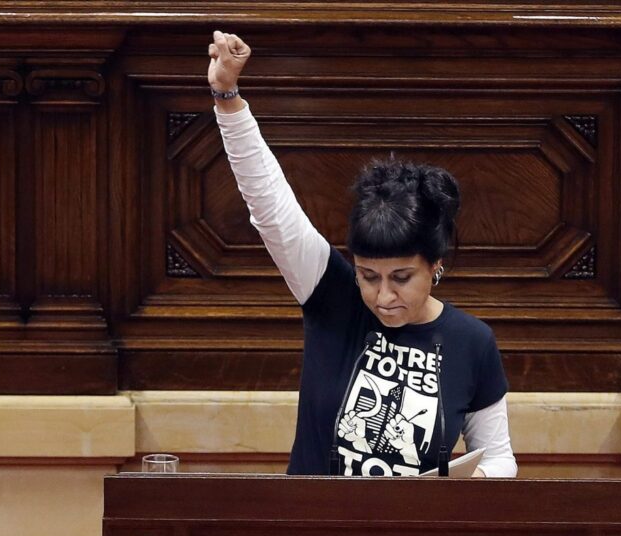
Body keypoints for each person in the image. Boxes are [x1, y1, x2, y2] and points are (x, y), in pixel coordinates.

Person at [207, 31, 517, 477]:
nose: (384, 296)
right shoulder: (331, 292)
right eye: (369, 276)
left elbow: (500, 456)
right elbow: (270, 207)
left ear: (436, 266)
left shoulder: (472, 342)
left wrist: (474, 483)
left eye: (402, 277)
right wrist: (227, 97)